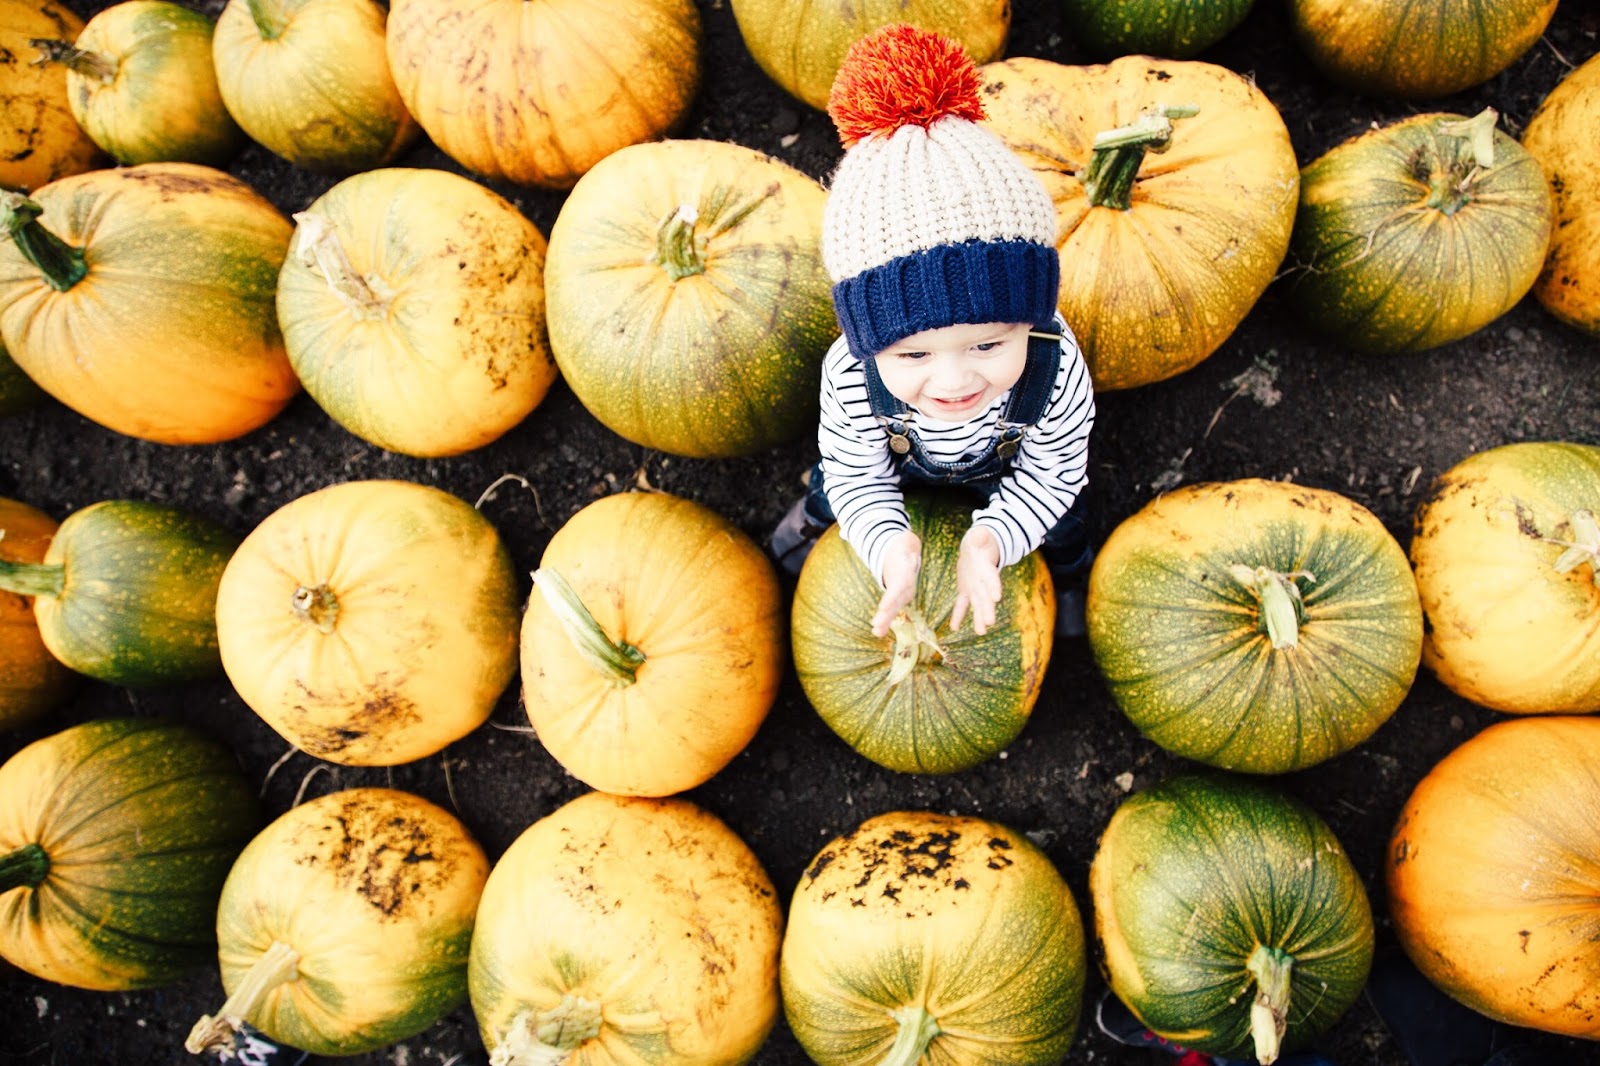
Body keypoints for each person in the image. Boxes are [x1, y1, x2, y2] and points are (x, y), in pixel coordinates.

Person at [767, 22, 1096, 639]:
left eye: (989, 343)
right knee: (834, 488)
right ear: (869, 341)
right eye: (913, 351)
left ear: (1030, 316)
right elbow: (859, 472)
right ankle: (810, 530)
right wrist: (893, 549)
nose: (952, 379)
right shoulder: (851, 374)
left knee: (1068, 516)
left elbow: (1052, 470)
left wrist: (990, 542)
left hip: (1009, 467)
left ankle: (1073, 577)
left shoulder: (1055, 365)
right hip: (900, 462)